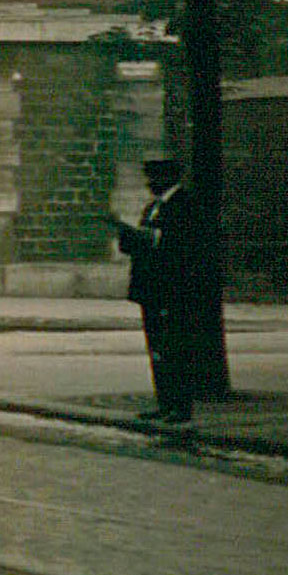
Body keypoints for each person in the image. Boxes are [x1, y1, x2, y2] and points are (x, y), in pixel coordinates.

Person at [112, 157, 192, 423]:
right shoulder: (153, 207)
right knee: (156, 348)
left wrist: (145, 237)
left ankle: (179, 406)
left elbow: (175, 245)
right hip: (151, 290)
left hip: (171, 288)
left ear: (167, 179)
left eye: (154, 179)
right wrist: (127, 235)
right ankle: (165, 402)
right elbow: (140, 244)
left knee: (172, 349)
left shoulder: (183, 204)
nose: (149, 185)